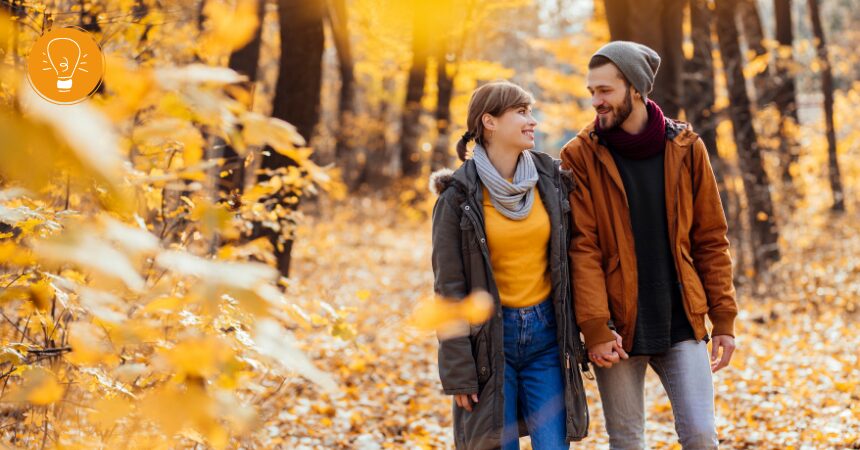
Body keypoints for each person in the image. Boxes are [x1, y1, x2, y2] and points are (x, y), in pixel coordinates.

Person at [559, 41, 738, 449]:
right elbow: (582, 248)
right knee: (626, 441)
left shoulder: (686, 147)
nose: (596, 102)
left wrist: (723, 318)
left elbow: (711, 238)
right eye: (592, 92)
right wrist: (595, 327)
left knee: (700, 435)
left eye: (605, 90)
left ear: (636, 89)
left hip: (682, 319)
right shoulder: (579, 155)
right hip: (616, 328)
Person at [430, 80, 588, 449]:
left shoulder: (551, 181)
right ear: (489, 122)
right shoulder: (458, 197)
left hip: (547, 338)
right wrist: (459, 374)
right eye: (521, 112)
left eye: (530, 111)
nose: (532, 121)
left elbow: (577, 259)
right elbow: (448, 289)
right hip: (489, 343)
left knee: (554, 445)